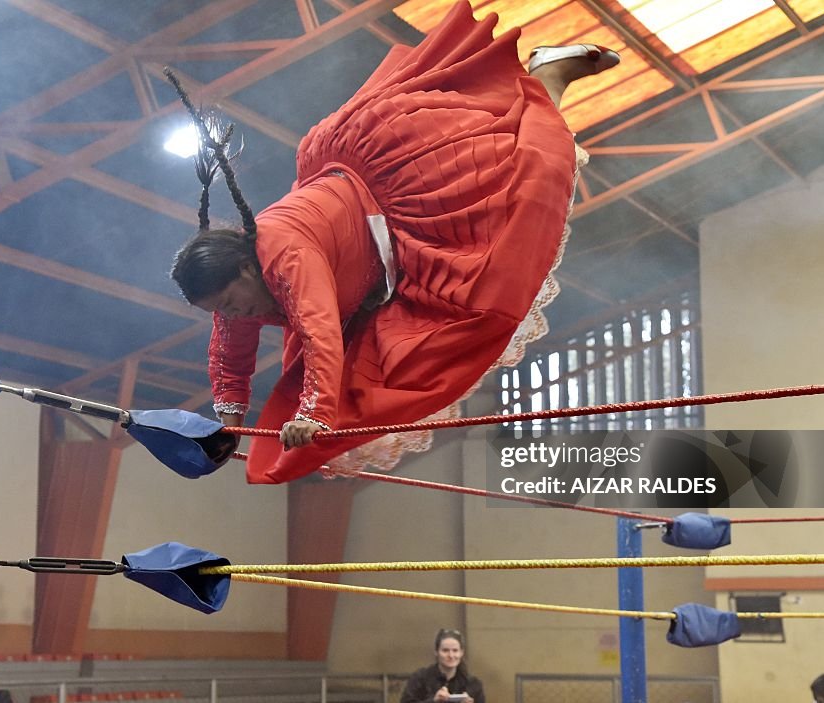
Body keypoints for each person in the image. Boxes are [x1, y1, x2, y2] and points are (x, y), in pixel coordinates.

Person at [169, 0, 620, 484]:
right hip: (370, 258)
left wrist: (315, 414)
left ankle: (547, 74)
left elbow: (320, 331)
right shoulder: (232, 290)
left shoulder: (285, 254)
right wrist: (228, 426)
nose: (232, 315)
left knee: (526, 189)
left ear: (244, 269)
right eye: (221, 310)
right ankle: (544, 79)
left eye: (230, 304)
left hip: (412, 183)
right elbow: (229, 356)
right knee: (376, 382)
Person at [400, 629, 484, 703]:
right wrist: (433, 701)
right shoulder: (420, 678)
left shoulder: (473, 684)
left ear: (462, 653)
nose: (451, 655)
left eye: (455, 650)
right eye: (445, 650)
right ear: (436, 652)